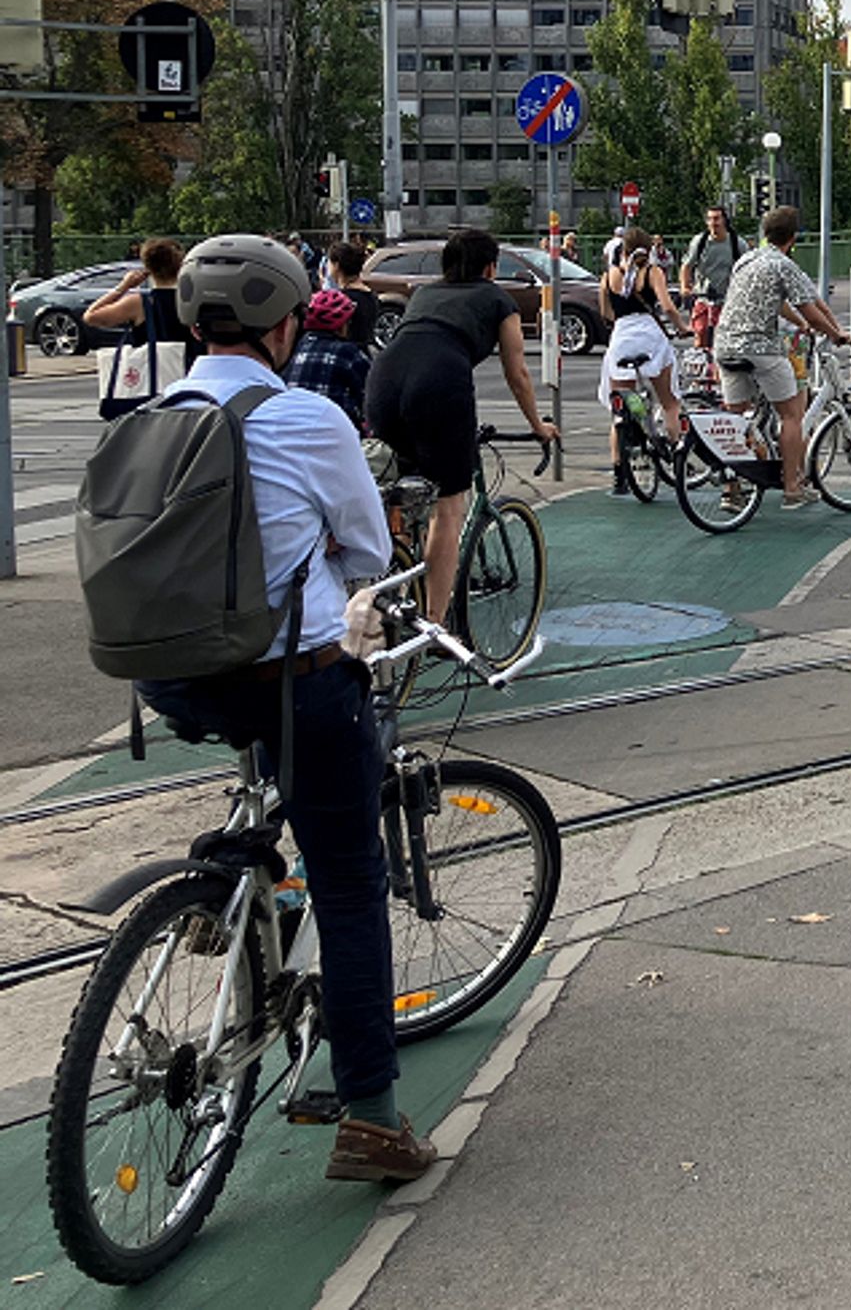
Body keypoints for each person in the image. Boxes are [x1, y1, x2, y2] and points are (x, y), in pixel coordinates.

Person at [135, 234, 431, 1182]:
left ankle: (226, 880)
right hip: (293, 679)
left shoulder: (155, 412)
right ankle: (374, 1118)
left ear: (190, 321)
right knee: (350, 881)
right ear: (288, 322)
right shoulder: (306, 416)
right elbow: (365, 552)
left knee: (257, 751)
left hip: (170, 675)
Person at [363, 229, 561, 621]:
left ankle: (392, 592)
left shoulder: (423, 294)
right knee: (448, 508)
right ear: (491, 267)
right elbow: (517, 371)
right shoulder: (496, 298)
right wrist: (538, 424)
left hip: (383, 381)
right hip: (439, 384)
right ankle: (435, 623)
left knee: (400, 495)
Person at [711, 205, 850, 507]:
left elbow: (777, 301)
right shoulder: (783, 264)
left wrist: (803, 321)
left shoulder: (746, 259)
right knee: (791, 415)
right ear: (793, 239)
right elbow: (811, 310)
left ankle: (731, 489)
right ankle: (792, 488)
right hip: (759, 347)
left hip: (724, 344)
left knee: (735, 417)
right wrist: (835, 334)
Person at [598, 231, 688, 494]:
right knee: (670, 402)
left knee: (619, 410)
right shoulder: (652, 272)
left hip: (621, 338)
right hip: (650, 336)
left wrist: (621, 322)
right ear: (648, 249)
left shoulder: (609, 276)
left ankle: (619, 475)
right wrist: (681, 327)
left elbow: (605, 312)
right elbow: (668, 306)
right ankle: (677, 454)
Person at [84, 237, 192, 417]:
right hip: (188, 378)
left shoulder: (139, 303)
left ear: (148, 268)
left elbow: (91, 316)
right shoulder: (191, 300)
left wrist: (124, 286)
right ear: (182, 266)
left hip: (151, 384)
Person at [287, 287, 372, 430]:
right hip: (336, 432)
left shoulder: (296, 348)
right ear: (342, 326)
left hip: (293, 429)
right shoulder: (348, 354)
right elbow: (370, 396)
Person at [679, 205, 746, 351]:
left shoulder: (737, 243)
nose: (713, 223)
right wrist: (685, 286)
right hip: (703, 297)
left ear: (724, 221)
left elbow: (748, 269)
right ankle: (701, 363)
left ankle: (721, 369)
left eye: (716, 219)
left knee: (724, 339)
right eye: (709, 219)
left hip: (727, 300)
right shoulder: (700, 242)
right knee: (700, 332)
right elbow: (686, 266)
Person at [325, 241, 379, 352]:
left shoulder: (341, 299)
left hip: (345, 355)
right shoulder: (370, 295)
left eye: (328, 262)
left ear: (336, 265)